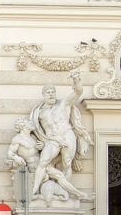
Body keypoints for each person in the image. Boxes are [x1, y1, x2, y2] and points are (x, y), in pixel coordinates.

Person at [27, 71, 93, 201]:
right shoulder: (38, 113)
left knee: (67, 163)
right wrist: (40, 142)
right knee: (43, 162)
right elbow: (36, 131)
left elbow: (78, 92)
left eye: (53, 92)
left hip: (67, 135)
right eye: (48, 92)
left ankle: (63, 191)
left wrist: (76, 79)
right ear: (43, 95)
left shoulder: (64, 104)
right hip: (52, 139)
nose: (51, 94)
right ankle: (34, 190)